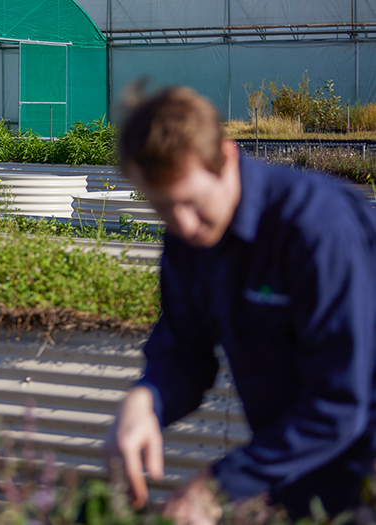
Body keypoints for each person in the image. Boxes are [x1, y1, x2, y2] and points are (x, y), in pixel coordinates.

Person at [105, 86, 376, 524]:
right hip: (295, 471)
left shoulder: (316, 230)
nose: (184, 225)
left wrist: (216, 489)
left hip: (364, 469)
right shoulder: (187, 239)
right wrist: (146, 401)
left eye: (192, 202)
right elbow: (184, 353)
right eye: (163, 209)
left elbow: (339, 403)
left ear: (227, 158)